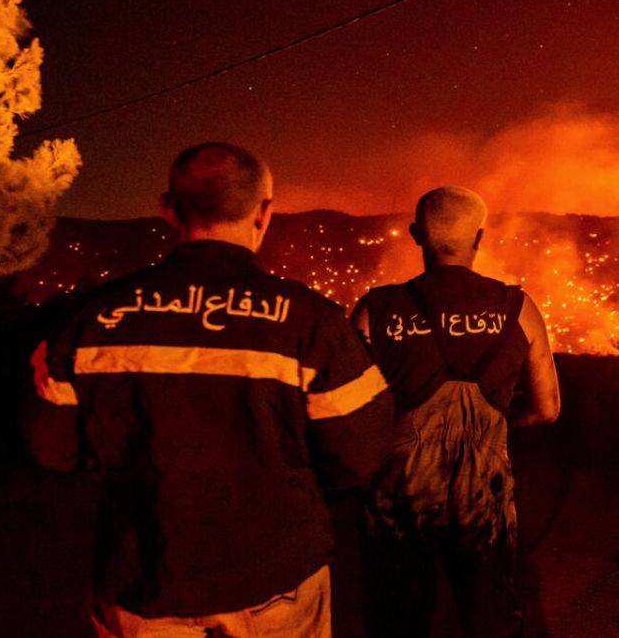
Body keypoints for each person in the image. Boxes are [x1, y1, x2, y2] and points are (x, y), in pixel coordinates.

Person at [25, 142, 392, 637]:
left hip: (144, 581)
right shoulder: (311, 324)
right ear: (264, 214)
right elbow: (359, 455)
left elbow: (53, 450)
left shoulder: (92, 320)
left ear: (168, 209)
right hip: (274, 579)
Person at [351, 186, 560, 637]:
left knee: (399, 617)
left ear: (415, 235)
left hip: (399, 496)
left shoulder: (376, 309)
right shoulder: (518, 309)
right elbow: (548, 409)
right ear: (479, 237)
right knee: (490, 615)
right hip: (483, 496)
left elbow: (351, 410)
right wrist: (496, 428)